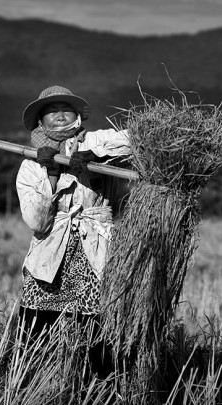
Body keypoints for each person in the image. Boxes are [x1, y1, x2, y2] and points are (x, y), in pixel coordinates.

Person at [15, 85, 130, 378]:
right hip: (51, 253)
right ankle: (34, 385)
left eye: (66, 108)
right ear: (40, 122)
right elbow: (37, 223)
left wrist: (96, 156)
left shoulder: (98, 139)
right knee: (35, 329)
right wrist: (51, 176)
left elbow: (136, 142)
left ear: (77, 115)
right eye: (51, 111)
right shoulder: (31, 162)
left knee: (97, 330)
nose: (60, 115)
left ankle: (99, 387)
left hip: (96, 249)